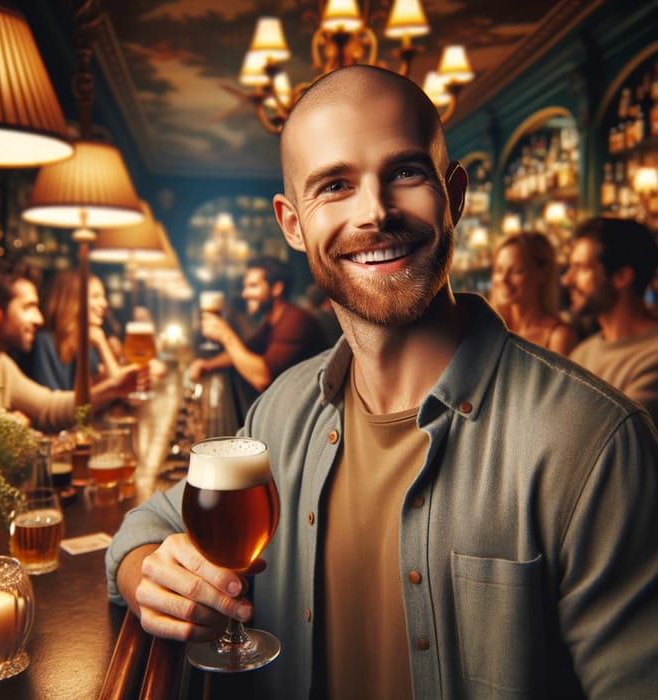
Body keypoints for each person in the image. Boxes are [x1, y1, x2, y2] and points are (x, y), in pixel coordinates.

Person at [106, 66, 658, 699]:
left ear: (453, 193)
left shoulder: (592, 444)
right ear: (292, 224)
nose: (375, 213)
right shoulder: (280, 412)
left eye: (404, 172)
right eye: (335, 185)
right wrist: (148, 576)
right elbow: (145, 528)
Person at [0, 258, 145, 433]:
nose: (39, 319)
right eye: (28, 307)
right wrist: (17, 424)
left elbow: (48, 407)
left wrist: (114, 387)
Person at [562, 216, 658, 426]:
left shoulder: (652, 357)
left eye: (581, 268)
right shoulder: (582, 354)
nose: (567, 279)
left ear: (621, 277)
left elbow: (616, 435)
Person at [188, 255, 328, 393]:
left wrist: (226, 335)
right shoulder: (272, 320)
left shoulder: (295, 321)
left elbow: (262, 379)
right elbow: (245, 352)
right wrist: (207, 365)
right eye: (245, 287)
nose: (245, 294)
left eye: (253, 286)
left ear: (276, 289)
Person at [25, 269, 123, 390]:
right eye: (95, 296)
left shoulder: (87, 344)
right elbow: (54, 405)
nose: (104, 303)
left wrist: (101, 342)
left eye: (103, 296)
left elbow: (116, 385)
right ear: (72, 300)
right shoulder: (44, 342)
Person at [490, 231, 577, 354]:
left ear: (544, 273)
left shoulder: (558, 337)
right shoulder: (490, 331)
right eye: (499, 270)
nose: (503, 279)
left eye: (516, 271)